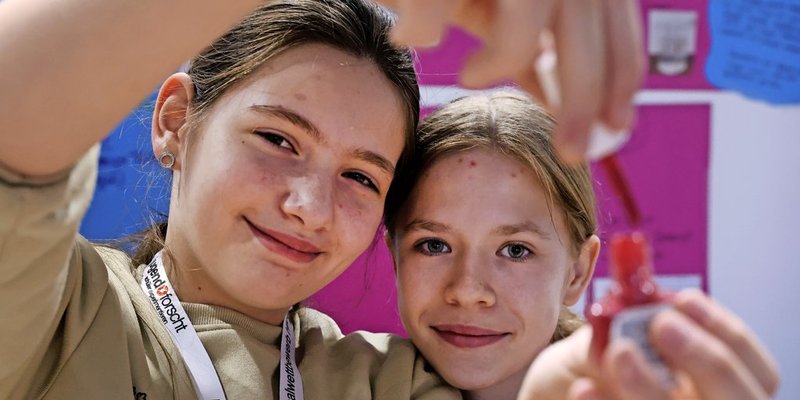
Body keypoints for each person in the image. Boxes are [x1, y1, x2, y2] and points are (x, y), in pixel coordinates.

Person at [0, 0, 457, 398]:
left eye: (360, 177)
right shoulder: (57, 309)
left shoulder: (390, 384)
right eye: (278, 140)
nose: (311, 208)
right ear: (176, 121)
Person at [384, 92, 781, 400]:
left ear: (578, 272)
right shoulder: (357, 376)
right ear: (395, 256)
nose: (468, 291)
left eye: (516, 250)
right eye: (434, 245)